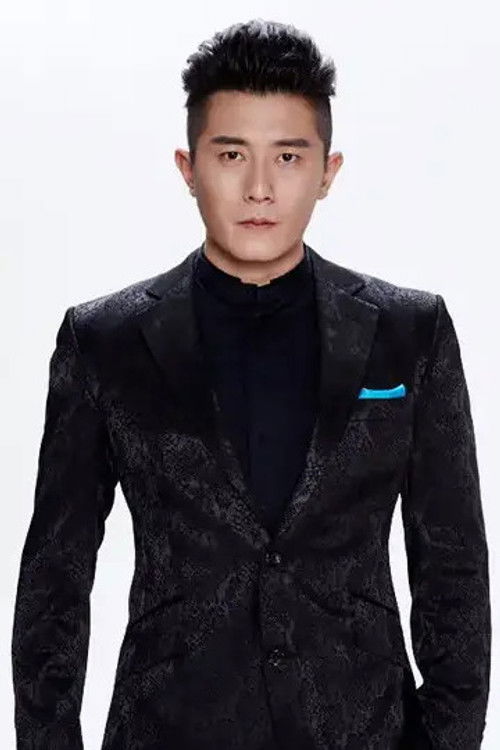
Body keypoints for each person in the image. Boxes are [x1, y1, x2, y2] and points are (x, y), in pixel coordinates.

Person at [11, 18, 490, 750]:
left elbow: (452, 567)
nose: (260, 188)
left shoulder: (409, 333)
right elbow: (56, 577)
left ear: (327, 171)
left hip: (365, 731)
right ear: (188, 167)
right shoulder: (104, 341)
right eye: (231, 154)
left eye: (288, 157)